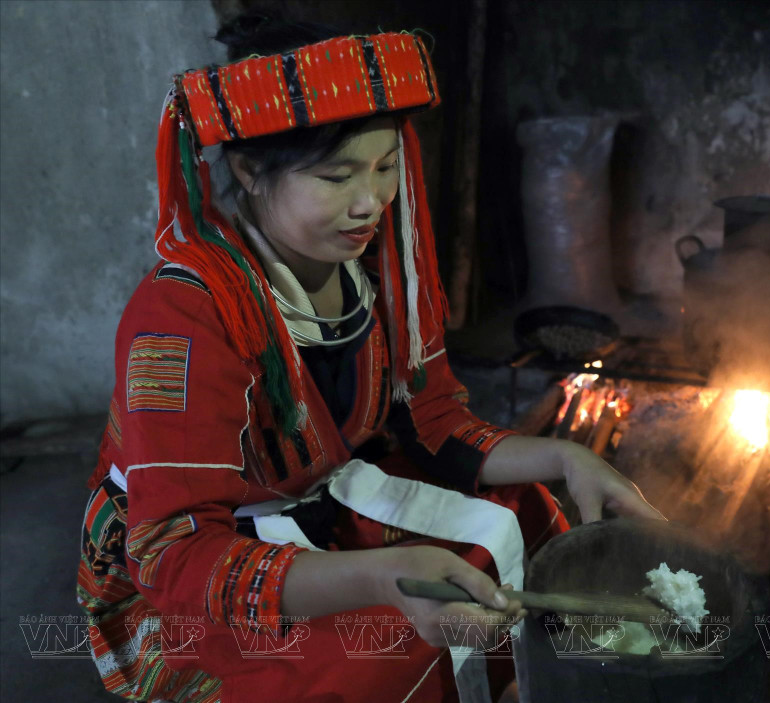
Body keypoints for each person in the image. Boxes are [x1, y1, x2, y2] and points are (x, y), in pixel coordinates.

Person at [77, 12, 664, 703]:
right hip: (215, 570)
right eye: (336, 175)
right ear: (249, 170)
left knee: (523, 510)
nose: (371, 202)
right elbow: (175, 557)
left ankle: (509, 683)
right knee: (388, 648)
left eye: (387, 166)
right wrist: (381, 577)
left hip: (322, 502)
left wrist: (568, 459)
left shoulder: (377, 267)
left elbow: (433, 421)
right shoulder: (184, 315)